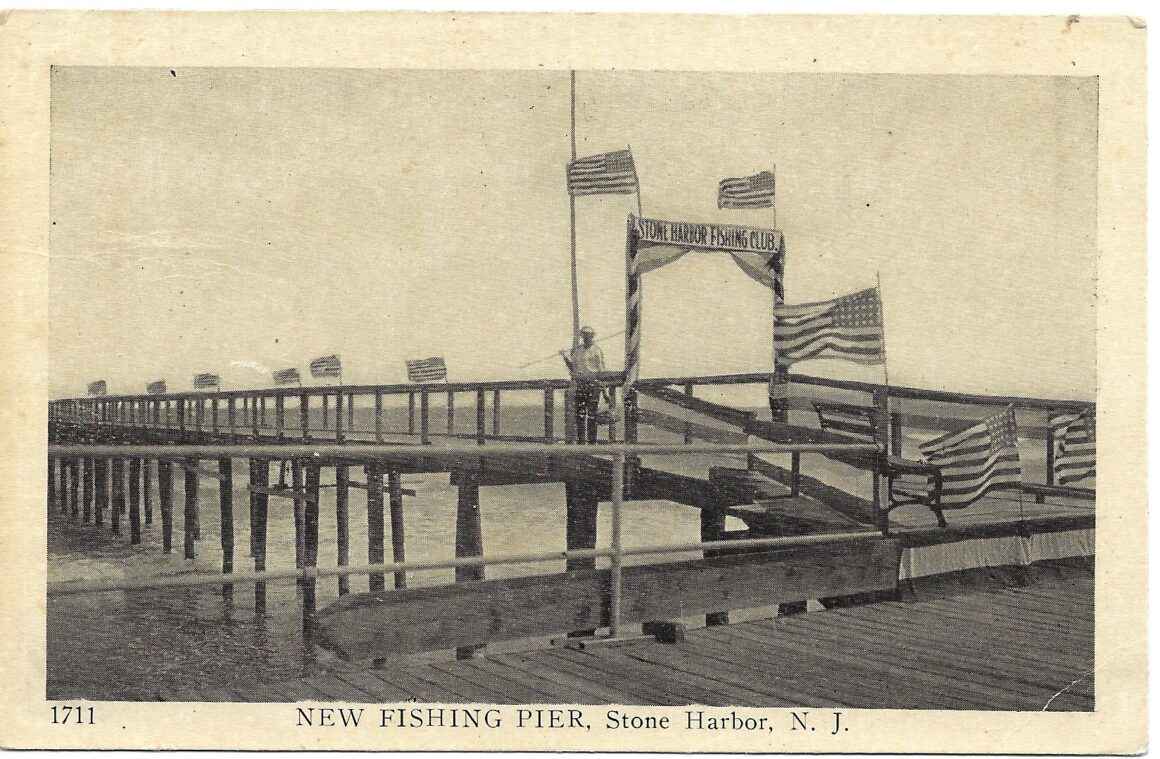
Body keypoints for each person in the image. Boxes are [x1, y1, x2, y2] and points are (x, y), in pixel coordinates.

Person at [560, 326, 606, 444]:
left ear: (592, 337)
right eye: (584, 335)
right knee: (580, 414)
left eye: (588, 335)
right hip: (580, 385)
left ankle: (592, 442)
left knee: (592, 415)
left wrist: (604, 391)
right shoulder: (578, 351)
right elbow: (573, 368)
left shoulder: (597, 351)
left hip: (593, 385)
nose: (586, 338)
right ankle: (581, 442)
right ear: (582, 336)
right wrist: (564, 357)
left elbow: (601, 372)